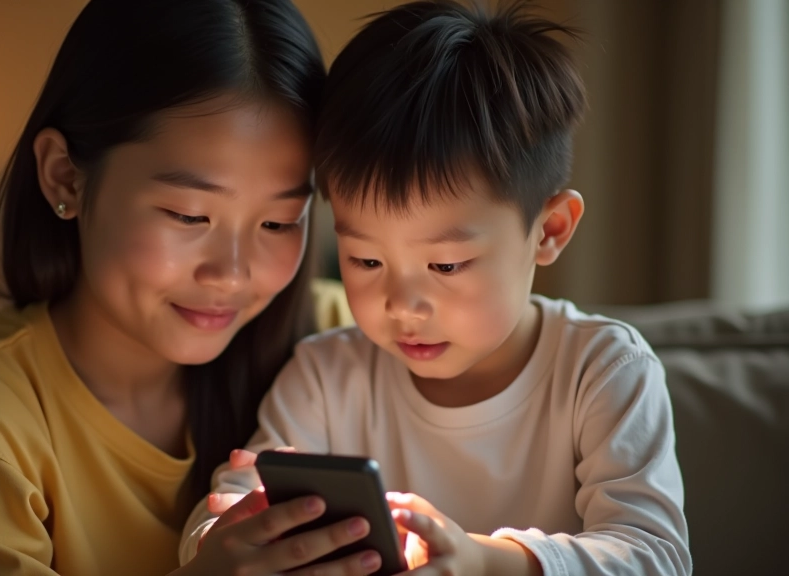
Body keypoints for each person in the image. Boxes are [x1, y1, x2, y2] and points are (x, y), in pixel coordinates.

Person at [181, 2, 692, 575]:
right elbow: (233, 498)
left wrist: (486, 563)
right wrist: (220, 534)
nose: (402, 305)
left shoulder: (600, 371)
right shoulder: (326, 378)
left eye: (446, 266)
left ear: (549, 230)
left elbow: (656, 555)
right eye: (366, 260)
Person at [0, 1, 378, 574]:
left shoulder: (345, 343)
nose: (232, 274)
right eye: (189, 216)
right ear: (64, 176)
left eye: (278, 223)